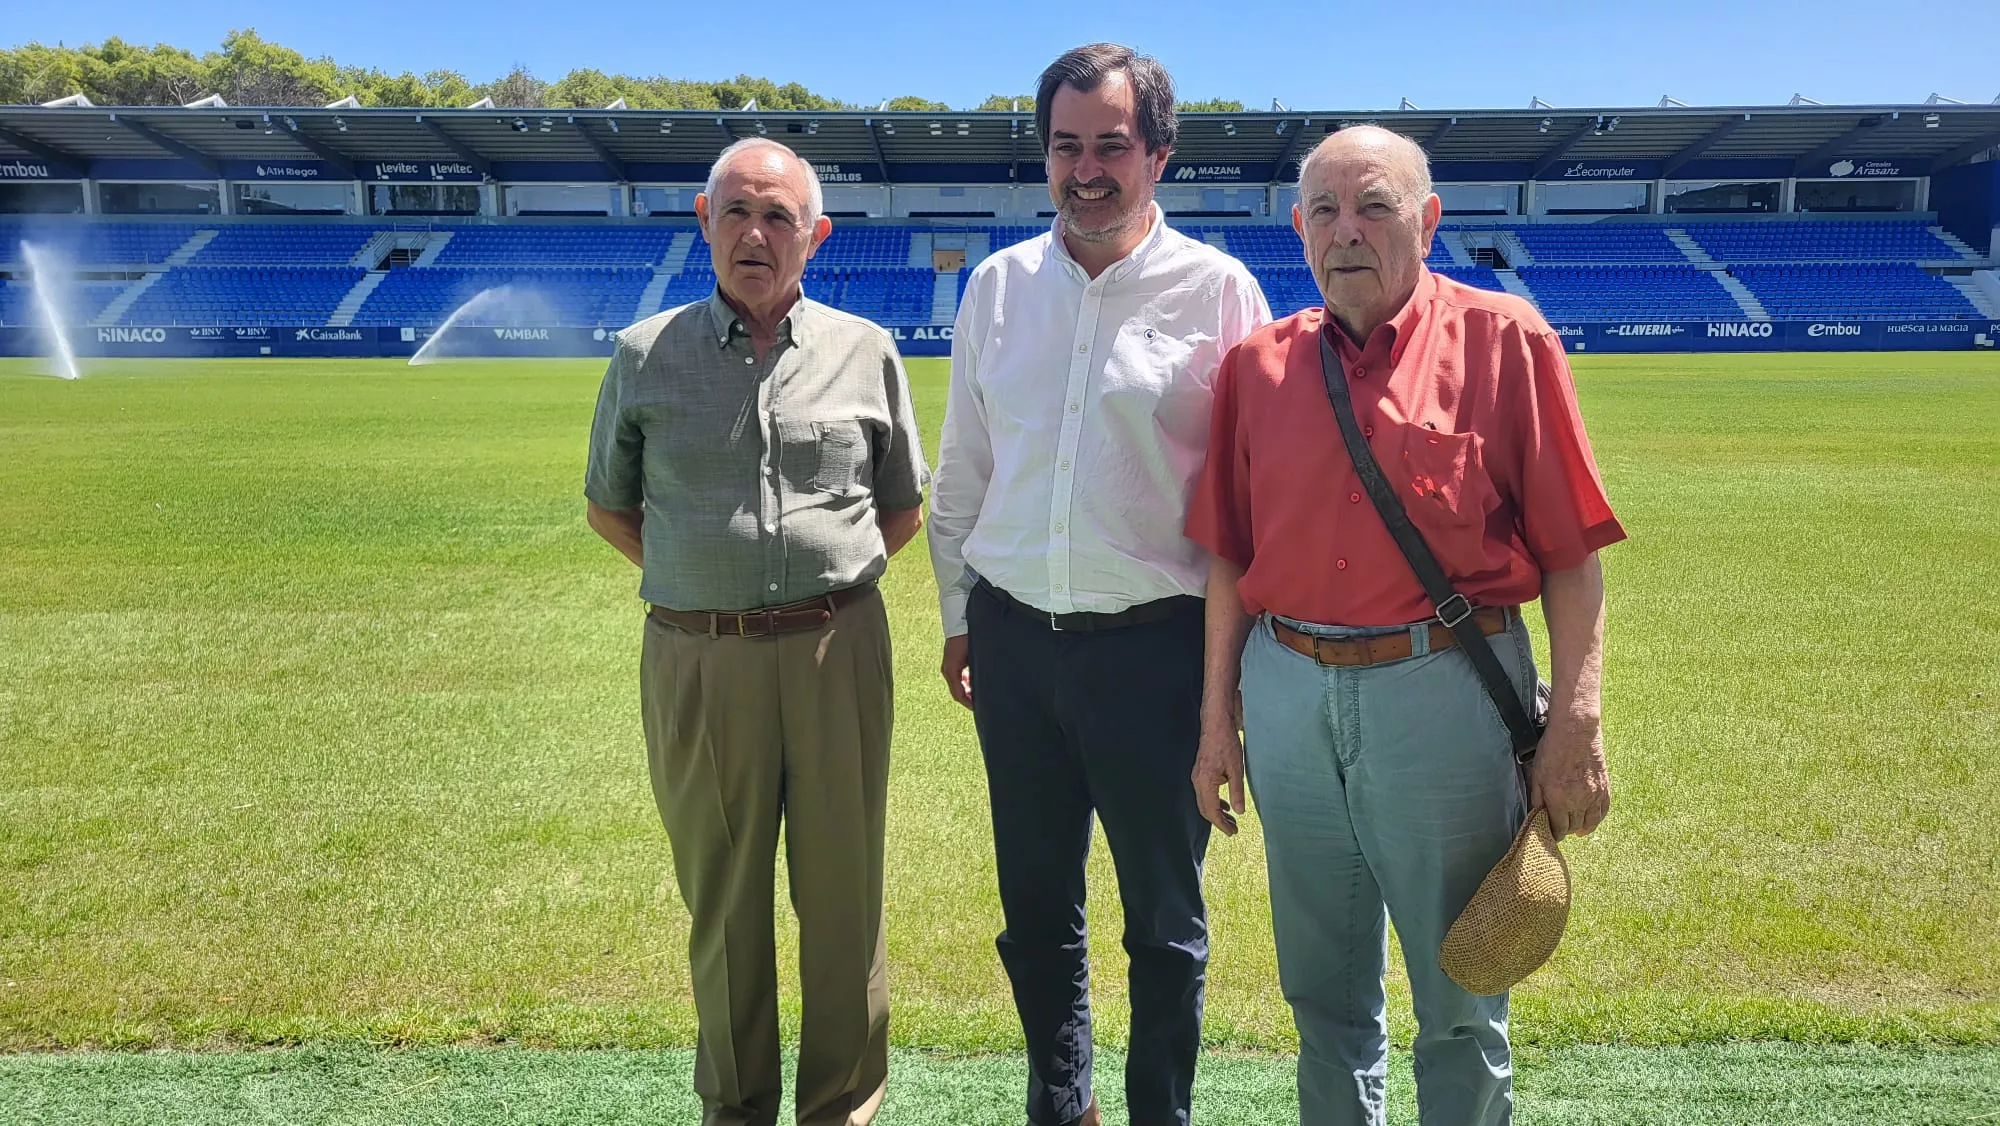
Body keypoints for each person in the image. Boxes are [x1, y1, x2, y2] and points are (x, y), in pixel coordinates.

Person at [1186, 125, 1625, 1126]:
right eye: (1325, 212)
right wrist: (1218, 722)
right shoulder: (1255, 367)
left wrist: (1577, 723)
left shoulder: (1504, 339)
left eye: (1374, 206)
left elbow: (1570, 555)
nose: (1348, 231)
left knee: (1462, 993)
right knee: (1321, 995)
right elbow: (1226, 559)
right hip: (1287, 692)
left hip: (1442, 694)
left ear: (1426, 221)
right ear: (1297, 230)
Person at [926, 42, 1270, 1126]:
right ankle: (1058, 1102)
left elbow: (1244, 512)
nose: (1086, 169)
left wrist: (1227, 687)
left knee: (1162, 921)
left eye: (1110, 146)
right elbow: (963, 473)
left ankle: (1158, 1109)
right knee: (1034, 911)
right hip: (1014, 642)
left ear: (1157, 153)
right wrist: (956, 618)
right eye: (1065, 146)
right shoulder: (996, 286)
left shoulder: (1219, 292)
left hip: (1155, 651)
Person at [584, 137, 928, 1126]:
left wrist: (815, 588)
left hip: (836, 652)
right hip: (698, 659)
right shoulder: (645, 355)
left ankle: (841, 1104)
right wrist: (705, 580)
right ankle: (734, 1106)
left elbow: (899, 507)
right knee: (724, 900)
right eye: (735, 212)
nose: (755, 233)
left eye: (778, 217)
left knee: (842, 896)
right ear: (704, 223)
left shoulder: (866, 350)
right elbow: (609, 507)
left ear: (813, 236)